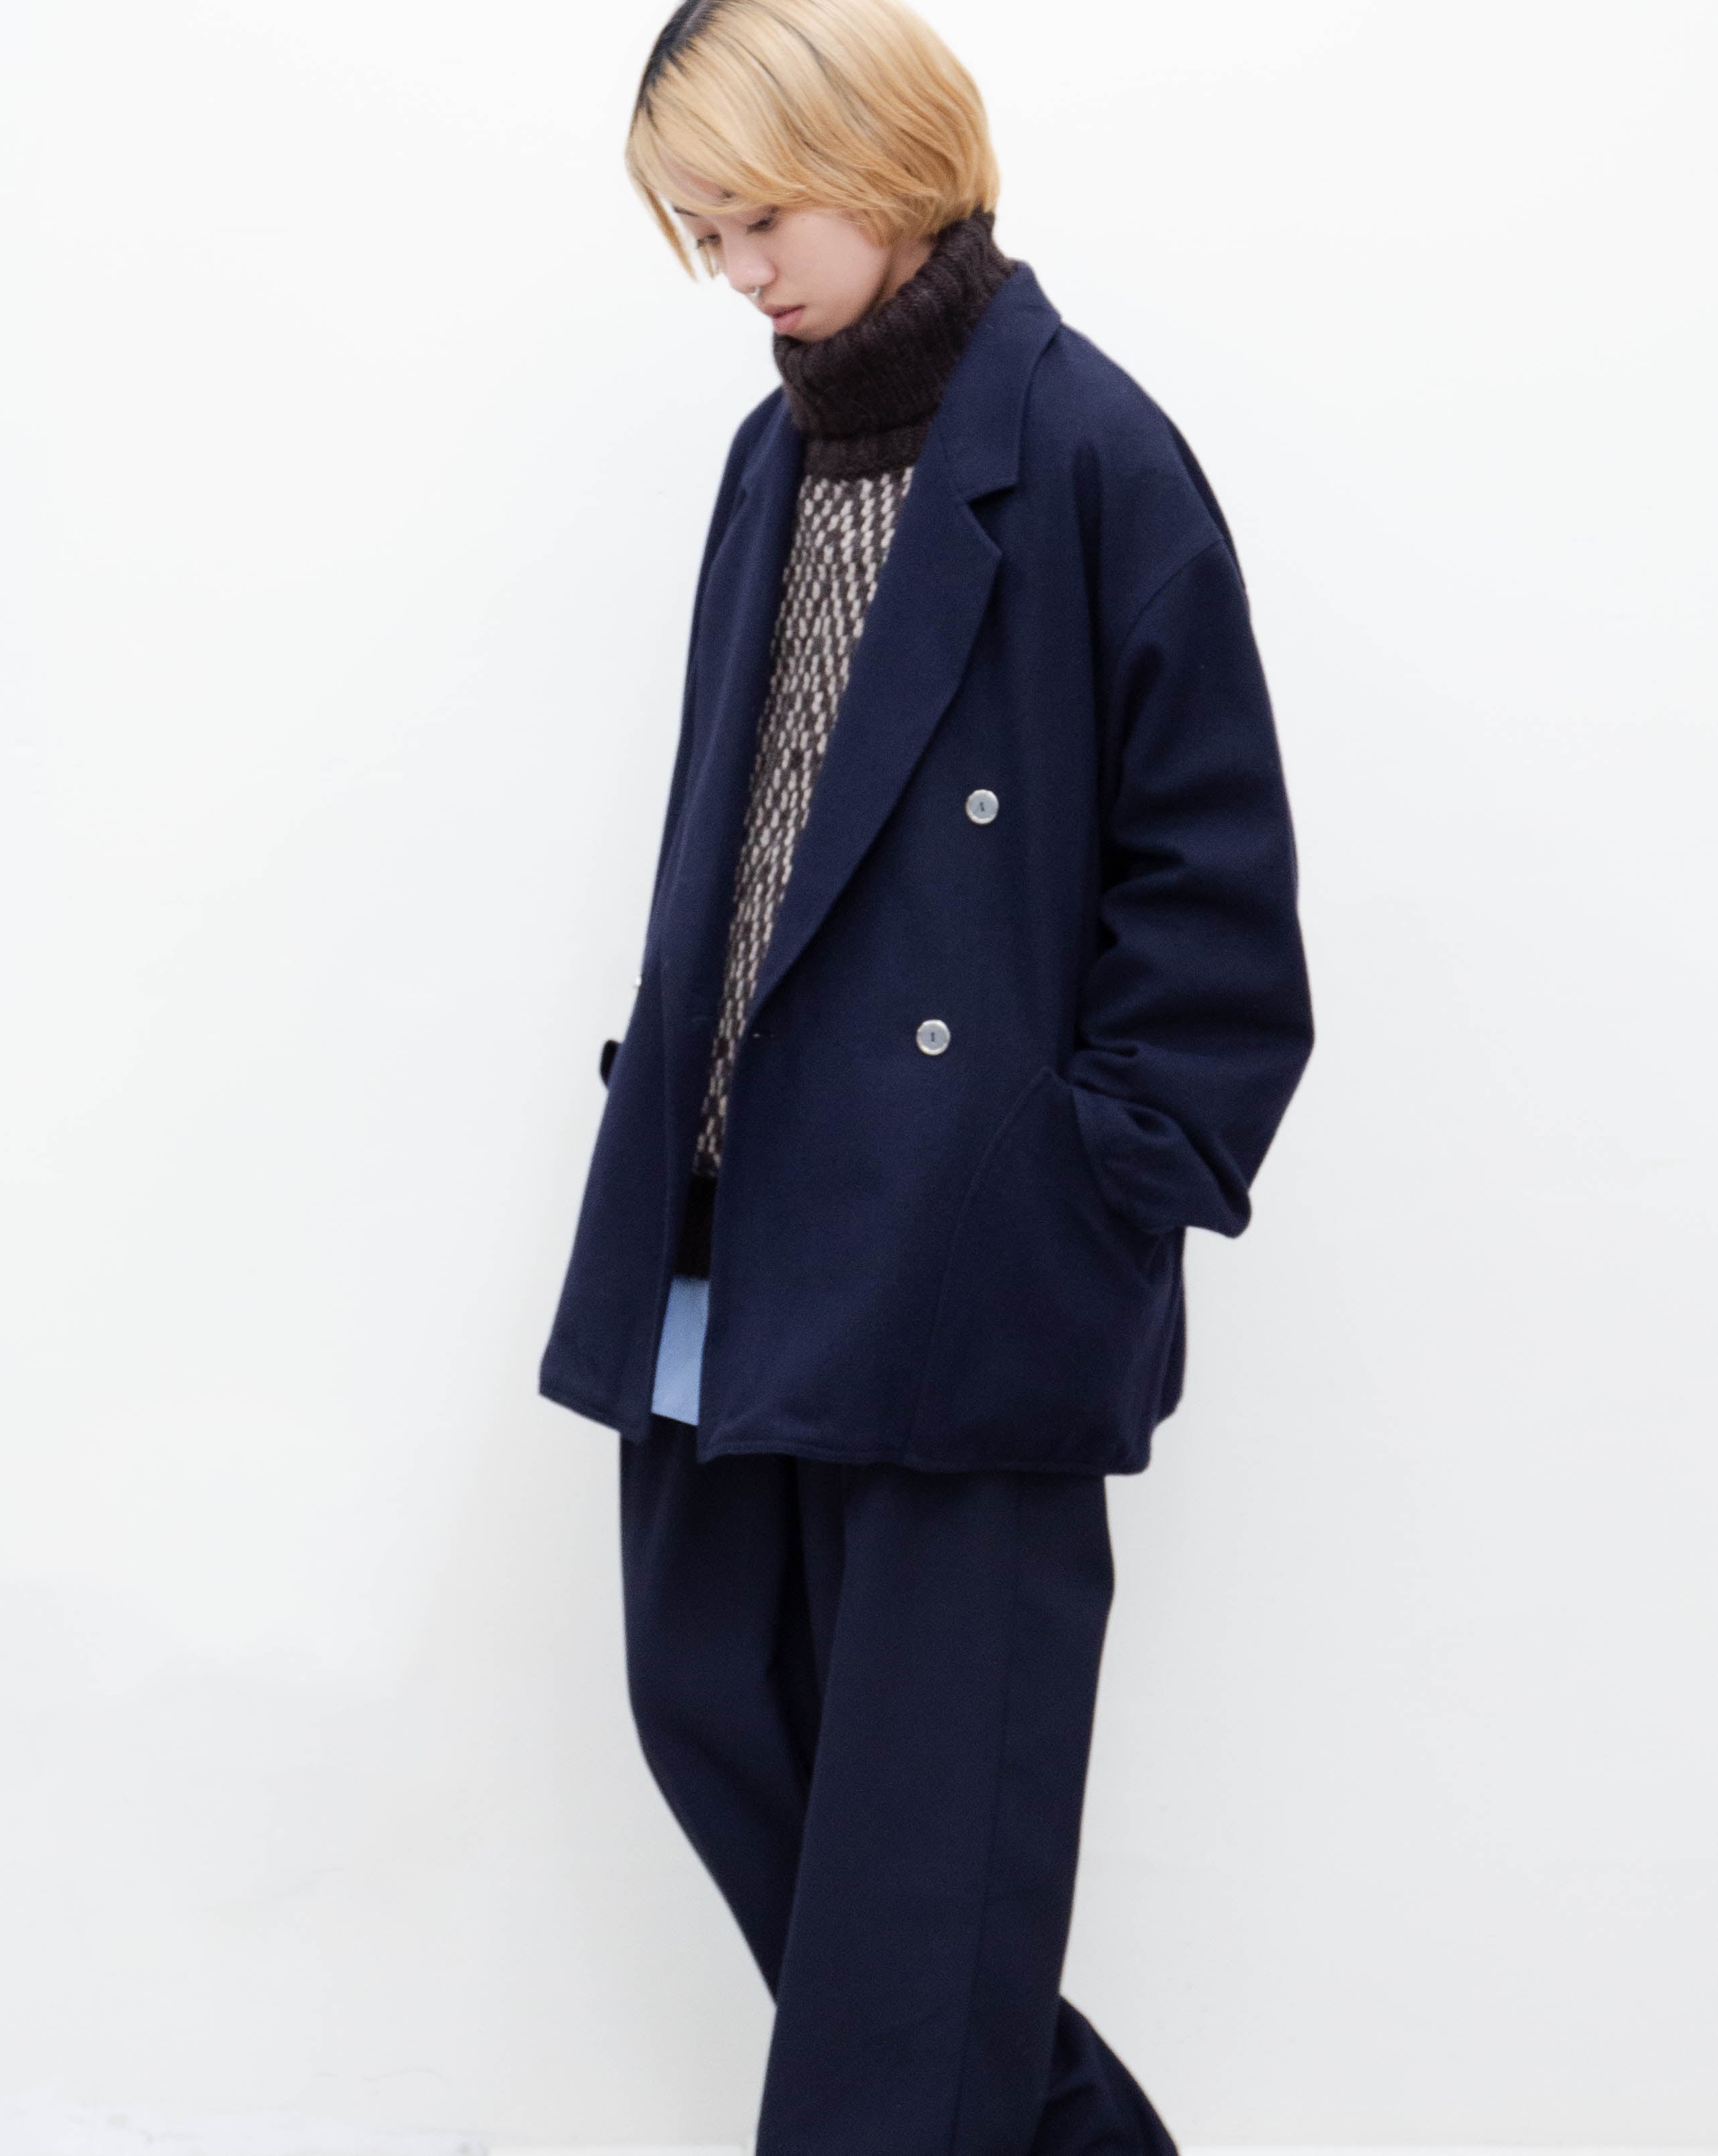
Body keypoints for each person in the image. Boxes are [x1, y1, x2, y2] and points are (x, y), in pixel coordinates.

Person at [539, 1, 1313, 2150]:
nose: (736, 274)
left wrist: (1077, 1187)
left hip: (965, 1267)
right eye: (699, 235)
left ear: (875, 154)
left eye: (754, 218)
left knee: (913, 1885)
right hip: (730, 1233)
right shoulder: (769, 455)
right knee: (712, 1710)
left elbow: (1217, 912)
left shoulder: (1091, 453)